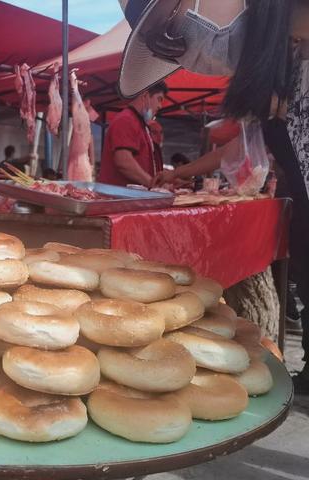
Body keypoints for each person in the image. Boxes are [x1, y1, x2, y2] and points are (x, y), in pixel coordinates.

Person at [119, 0, 309, 392]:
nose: (187, 45)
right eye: (171, 41)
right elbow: (235, 149)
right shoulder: (284, 62)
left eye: (174, 26)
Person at [98, 81, 168, 187]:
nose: (160, 106)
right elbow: (124, 162)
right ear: (145, 96)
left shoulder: (140, 123)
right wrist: (153, 184)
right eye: (159, 99)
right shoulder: (126, 119)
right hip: (118, 199)